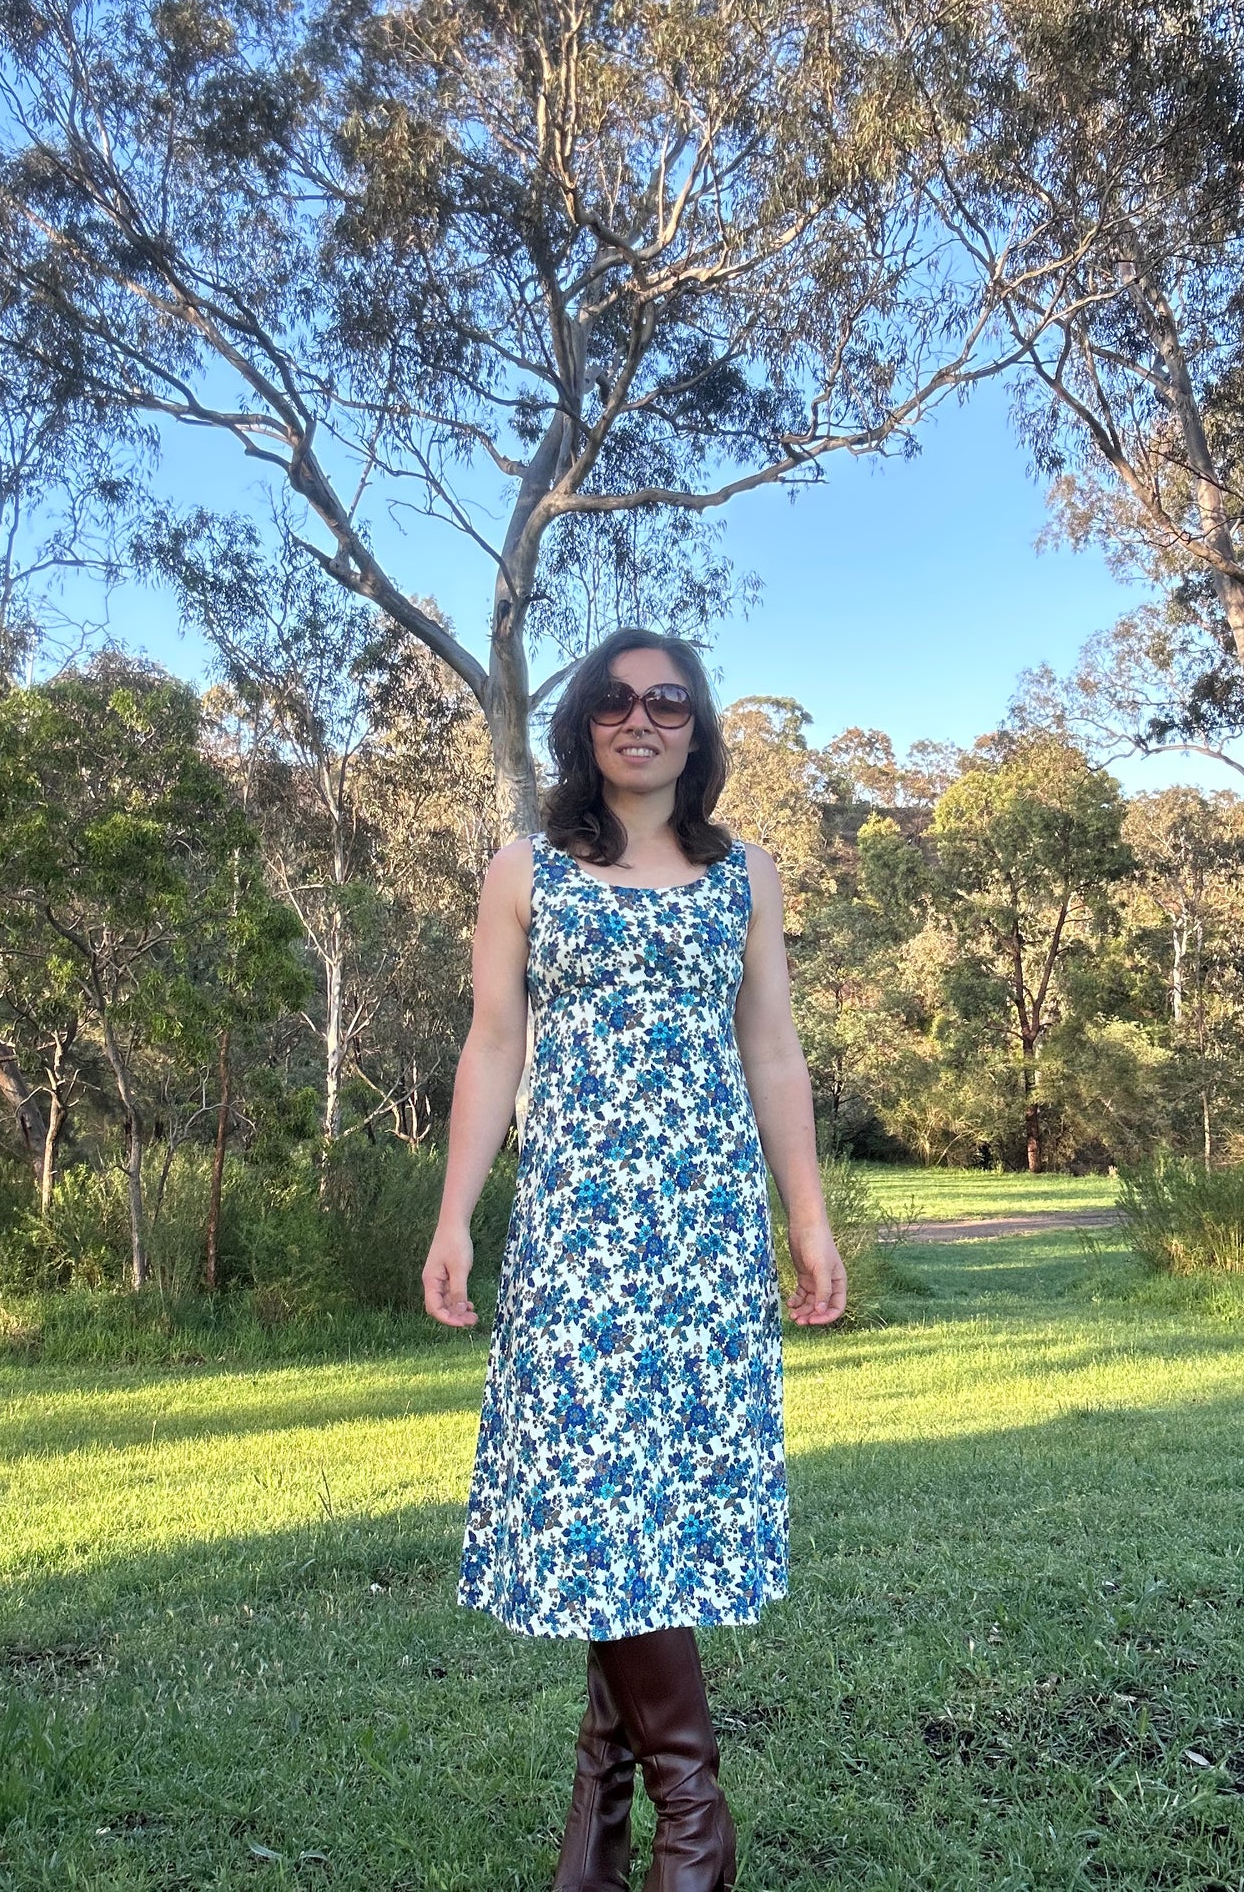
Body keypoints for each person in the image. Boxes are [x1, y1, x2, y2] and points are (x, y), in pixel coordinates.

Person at [423, 627, 846, 1892]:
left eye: (666, 700)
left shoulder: (744, 874)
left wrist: (807, 1219)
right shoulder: (525, 870)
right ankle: (693, 1821)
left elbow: (771, 1049)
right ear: (581, 724)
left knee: (651, 1508)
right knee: (597, 1497)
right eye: (612, 700)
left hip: (703, 1235)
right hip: (575, 1238)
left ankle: (597, 1832)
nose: (639, 719)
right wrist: (454, 1215)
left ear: (697, 725)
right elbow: (492, 1045)